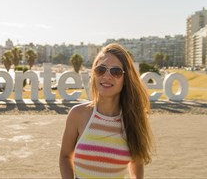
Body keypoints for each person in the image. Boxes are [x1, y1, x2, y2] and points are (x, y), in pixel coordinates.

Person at [59, 43, 153, 179]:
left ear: (125, 79)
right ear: (94, 74)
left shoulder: (133, 119)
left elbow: (137, 162)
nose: (107, 76)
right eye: (100, 70)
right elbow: (65, 156)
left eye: (116, 72)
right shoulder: (78, 115)